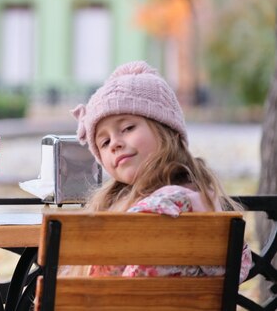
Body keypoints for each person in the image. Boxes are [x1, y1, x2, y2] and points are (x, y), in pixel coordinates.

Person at [68, 61, 252, 279]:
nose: (115, 143)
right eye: (104, 142)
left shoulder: (164, 208)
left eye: (127, 128)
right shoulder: (203, 202)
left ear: (166, 130)